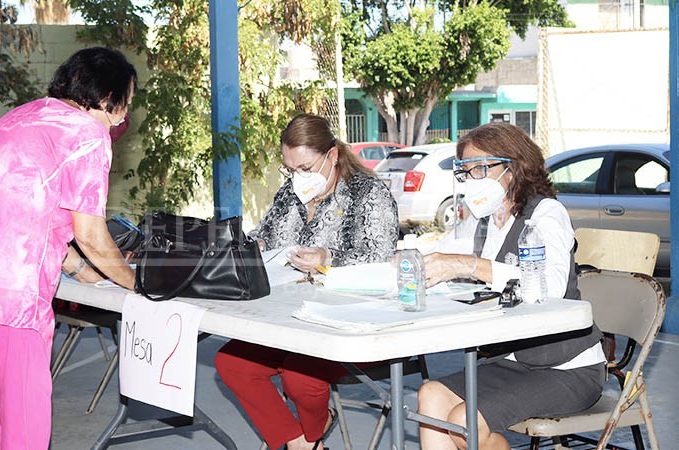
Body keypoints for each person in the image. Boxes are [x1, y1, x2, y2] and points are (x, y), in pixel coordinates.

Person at [0, 47, 137, 449]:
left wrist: (83, 273)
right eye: (125, 105)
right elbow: (90, 233)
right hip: (10, 297)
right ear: (108, 100)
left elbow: (31, 214)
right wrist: (136, 282)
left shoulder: (20, 117)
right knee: (24, 428)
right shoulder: (87, 135)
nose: (124, 117)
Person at [214, 113, 399, 450]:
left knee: (301, 377)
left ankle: (306, 438)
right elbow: (264, 237)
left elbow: (382, 259)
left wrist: (328, 258)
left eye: (305, 168)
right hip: (288, 316)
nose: (297, 177)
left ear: (332, 155)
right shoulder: (289, 195)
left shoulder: (367, 193)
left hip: (350, 318)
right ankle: (305, 444)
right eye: (290, 169)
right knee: (232, 363)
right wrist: (248, 247)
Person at [417, 122, 605, 450]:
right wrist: (408, 260)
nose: (471, 179)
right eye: (465, 171)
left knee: (463, 422)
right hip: (512, 361)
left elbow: (552, 286)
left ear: (514, 167)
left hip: (568, 368)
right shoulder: (481, 221)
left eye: (480, 169)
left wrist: (472, 266)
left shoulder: (546, 213)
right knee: (430, 395)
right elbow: (441, 255)